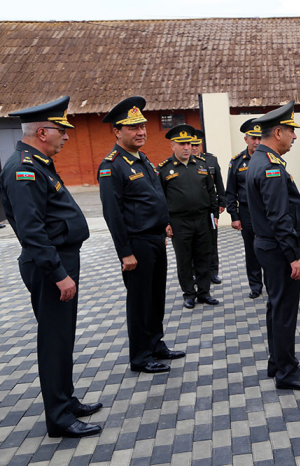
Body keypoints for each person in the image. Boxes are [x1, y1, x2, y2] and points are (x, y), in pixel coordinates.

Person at [0, 96, 102, 437]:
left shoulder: (38, 163)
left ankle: (66, 399)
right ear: (42, 132)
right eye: (62, 130)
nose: (67, 136)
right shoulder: (23, 169)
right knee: (54, 341)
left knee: (64, 338)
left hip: (59, 260)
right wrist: (58, 274)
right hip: (49, 267)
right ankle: (59, 418)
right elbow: (31, 230)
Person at [98, 96, 185, 374]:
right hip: (137, 243)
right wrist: (125, 252)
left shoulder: (142, 159)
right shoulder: (112, 165)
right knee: (139, 300)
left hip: (156, 239)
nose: (141, 132)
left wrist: (166, 222)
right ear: (117, 132)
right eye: (133, 128)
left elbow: (155, 196)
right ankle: (140, 356)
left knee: (156, 295)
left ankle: (156, 344)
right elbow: (113, 214)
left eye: (143, 126)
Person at [246, 101, 300, 391]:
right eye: (291, 131)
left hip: (268, 247)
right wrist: (294, 257)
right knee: (284, 310)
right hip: (278, 251)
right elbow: (278, 217)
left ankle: (278, 360)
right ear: (278, 132)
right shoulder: (270, 167)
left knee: (276, 307)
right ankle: (287, 374)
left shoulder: (260, 159)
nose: (295, 137)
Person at [158, 124, 219, 309]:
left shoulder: (201, 165)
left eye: (188, 143)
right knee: (184, 259)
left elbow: (211, 191)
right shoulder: (163, 169)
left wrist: (214, 214)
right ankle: (189, 294)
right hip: (179, 222)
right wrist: (165, 223)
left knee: (203, 257)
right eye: (181, 143)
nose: (186, 147)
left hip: (202, 219)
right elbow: (159, 199)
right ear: (173, 146)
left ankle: (204, 292)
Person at [225, 118, 264, 298]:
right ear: (246, 139)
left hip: (267, 211)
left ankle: (272, 283)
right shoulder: (237, 162)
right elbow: (230, 192)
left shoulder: (269, 159)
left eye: (259, 138)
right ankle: (255, 285)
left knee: (270, 248)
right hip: (247, 212)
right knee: (252, 249)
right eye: (253, 138)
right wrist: (234, 216)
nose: (256, 142)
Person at [191, 129, 225, 285]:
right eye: (191, 145)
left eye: (197, 144)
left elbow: (219, 182)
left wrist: (222, 203)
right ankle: (194, 273)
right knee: (193, 244)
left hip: (210, 210)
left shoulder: (210, 160)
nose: (194, 148)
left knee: (212, 242)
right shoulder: (183, 163)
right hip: (194, 210)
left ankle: (213, 272)